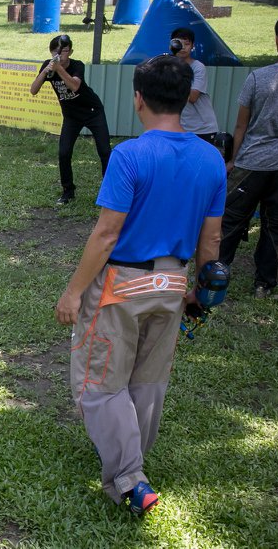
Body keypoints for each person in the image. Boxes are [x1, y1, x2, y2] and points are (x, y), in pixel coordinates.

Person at [54, 56, 225, 514]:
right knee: (148, 378)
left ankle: (130, 478)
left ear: (139, 99)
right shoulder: (211, 158)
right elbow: (212, 239)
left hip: (121, 282)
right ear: (185, 98)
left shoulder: (131, 155)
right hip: (174, 281)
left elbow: (107, 234)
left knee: (99, 380)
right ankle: (131, 456)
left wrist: (73, 292)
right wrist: (200, 294)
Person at [218, 13, 278, 299]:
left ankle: (217, 276)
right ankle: (264, 285)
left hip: (252, 161)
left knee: (231, 219)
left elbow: (241, 125)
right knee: (277, 226)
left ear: (277, 41)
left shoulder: (258, 78)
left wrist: (233, 158)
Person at [30, 34, 112, 205]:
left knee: (104, 151)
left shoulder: (77, 65)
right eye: (56, 51)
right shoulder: (49, 65)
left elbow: (74, 86)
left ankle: (110, 189)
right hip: (71, 116)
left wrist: (59, 69)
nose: (59, 54)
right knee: (64, 152)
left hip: (92, 111)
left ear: (71, 51)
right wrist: (46, 71)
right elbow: (33, 90)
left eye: (64, 51)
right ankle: (68, 191)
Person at [171, 27, 220, 144]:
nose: (183, 47)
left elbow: (193, 97)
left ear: (193, 46)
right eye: (178, 43)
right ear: (172, 45)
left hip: (202, 128)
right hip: (179, 127)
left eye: (187, 44)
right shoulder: (167, 66)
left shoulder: (198, 67)